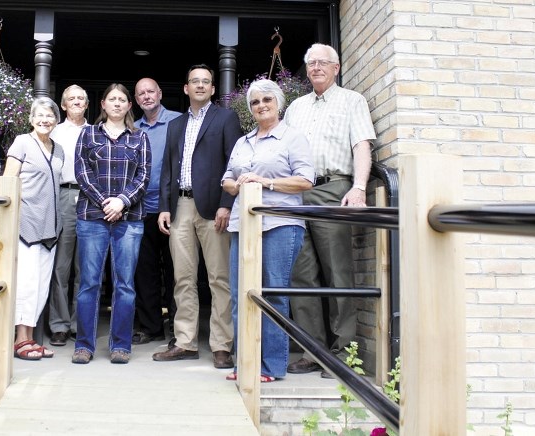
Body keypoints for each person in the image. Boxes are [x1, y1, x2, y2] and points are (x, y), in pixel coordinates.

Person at [284, 43, 376, 378]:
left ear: (336, 68)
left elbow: (361, 146)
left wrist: (359, 187)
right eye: (311, 63)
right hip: (297, 194)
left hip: (333, 189)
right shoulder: (295, 108)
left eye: (323, 62)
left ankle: (343, 354)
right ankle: (313, 351)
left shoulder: (352, 100)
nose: (317, 67)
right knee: (300, 273)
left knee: (338, 270)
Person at [221, 79, 314, 382]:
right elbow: (227, 178)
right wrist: (236, 185)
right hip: (242, 223)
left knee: (273, 294)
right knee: (240, 294)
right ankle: (244, 363)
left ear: (278, 103)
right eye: (255, 102)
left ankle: (272, 366)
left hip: (280, 223)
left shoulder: (292, 138)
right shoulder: (242, 141)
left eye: (267, 101)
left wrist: (265, 183)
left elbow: (305, 180)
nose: (261, 106)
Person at [152, 64, 243, 369]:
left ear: (213, 89)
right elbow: (167, 169)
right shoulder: (175, 125)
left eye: (206, 82)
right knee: (183, 278)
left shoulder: (226, 118)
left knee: (219, 278)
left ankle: (221, 345)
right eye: (195, 81)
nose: (201, 86)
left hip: (214, 207)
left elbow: (236, 163)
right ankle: (185, 342)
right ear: (186, 88)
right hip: (181, 207)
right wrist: (165, 206)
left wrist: (227, 203)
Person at [71, 83, 150, 365]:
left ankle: (121, 345)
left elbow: (143, 177)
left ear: (130, 106)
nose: (117, 103)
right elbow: (81, 172)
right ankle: (84, 345)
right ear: (102, 104)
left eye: (122, 100)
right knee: (89, 283)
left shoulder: (140, 138)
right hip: (92, 218)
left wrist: (122, 202)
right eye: (112, 99)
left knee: (125, 285)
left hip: (129, 220)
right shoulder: (88, 134)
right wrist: (107, 202)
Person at [3, 97, 64, 361]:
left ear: (56, 120)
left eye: (50, 116)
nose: (44, 120)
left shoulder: (58, 149)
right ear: (31, 119)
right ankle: (21, 340)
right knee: (26, 284)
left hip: (50, 227)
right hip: (26, 224)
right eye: (39, 115)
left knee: (40, 287)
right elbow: (8, 181)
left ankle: (28, 339)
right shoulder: (22, 143)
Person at [132, 78, 181, 345]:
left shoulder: (178, 122)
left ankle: (177, 329)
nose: (147, 96)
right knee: (145, 272)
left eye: (151, 91)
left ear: (160, 93)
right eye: (141, 93)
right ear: (136, 99)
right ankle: (151, 327)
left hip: (172, 208)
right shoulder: (132, 127)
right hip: (139, 210)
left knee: (177, 271)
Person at [47, 85, 90, 347]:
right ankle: (59, 325)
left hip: (90, 199)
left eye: (80, 99)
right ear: (63, 105)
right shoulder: (54, 131)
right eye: (71, 98)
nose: (76, 102)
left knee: (85, 267)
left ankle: (80, 324)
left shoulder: (96, 131)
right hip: (63, 196)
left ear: (87, 105)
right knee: (61, 266)